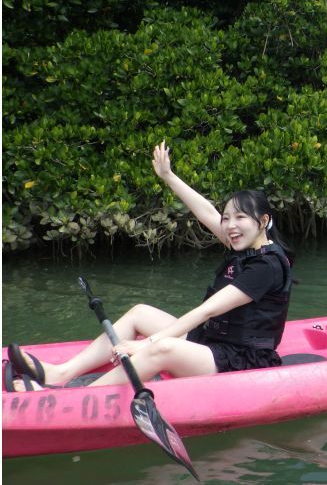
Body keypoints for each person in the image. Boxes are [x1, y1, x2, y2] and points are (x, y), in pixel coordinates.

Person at [5, 141, 294, 392]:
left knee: (162, 347)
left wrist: (145, 344)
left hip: (239, 359)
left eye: (240, 218)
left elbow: (206, 311)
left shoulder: (267, 266)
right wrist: (168, 176)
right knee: (140, 313)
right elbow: (207, 211)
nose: (230, 226)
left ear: (263, 221)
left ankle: (77, 396)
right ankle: (62, 373)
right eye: (228, 218)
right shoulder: (242, 243)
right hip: (212, 342)